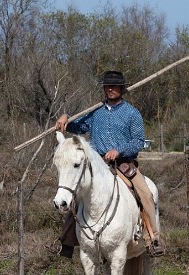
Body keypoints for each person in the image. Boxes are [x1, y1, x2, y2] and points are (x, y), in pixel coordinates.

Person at [46, 70, 164, 258]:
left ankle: (153, 238)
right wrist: (65, 118)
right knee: (75, 194)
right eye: (107, 86)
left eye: (114, 86)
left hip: (124, 164)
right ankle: (66, 240)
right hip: (97, 164)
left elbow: (138, 141)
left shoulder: (132, 113)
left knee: (146, 193)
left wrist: (119, 151)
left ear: (122, 88)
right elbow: (77, 126)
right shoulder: (95, 113)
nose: (110, 89)